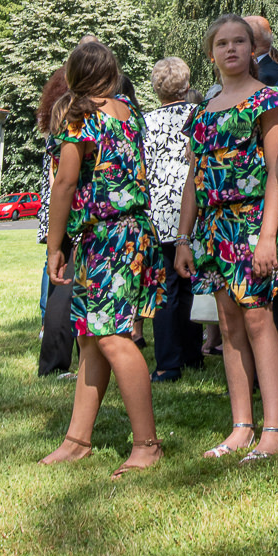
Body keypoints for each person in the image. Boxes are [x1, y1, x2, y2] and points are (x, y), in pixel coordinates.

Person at [41, 41, 164, 475]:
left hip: (109, 236)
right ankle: (78, 440)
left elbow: (65, 184)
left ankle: (147, 445)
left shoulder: (79, 118)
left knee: (112, 338)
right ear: (112, 74)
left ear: (72, 75)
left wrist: (56, 247)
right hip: (129, 233)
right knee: (92, 338)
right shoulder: (128, 110)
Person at [175, 17, 278, 460]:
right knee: (227, 324)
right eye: (222, 43)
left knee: (259, 318)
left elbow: (276, 171)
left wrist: (266, 236)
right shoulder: (203, 111)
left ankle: (274, 427)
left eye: (239, 41)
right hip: (213, 229)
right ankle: (241, 425)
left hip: (254, 221)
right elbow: (193, 177)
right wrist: (185, 238)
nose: (231, 49)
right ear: (211, 54)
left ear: (251, 48)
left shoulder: (269, 100)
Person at [143, 58, 202, 383]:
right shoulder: (198, 115)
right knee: (191, 285)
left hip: (157, 213)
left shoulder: (144, 123)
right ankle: (192, 354)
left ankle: (168, 362)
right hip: (191, 211)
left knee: (164, 290)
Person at [35, 67, 75, 377]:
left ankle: (52, 359)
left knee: (58, 278)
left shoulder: (60, 111)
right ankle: (57, 360)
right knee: (63, 279)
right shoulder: (77, 114)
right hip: (75, 205)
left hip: (62, 204)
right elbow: (60, 178)